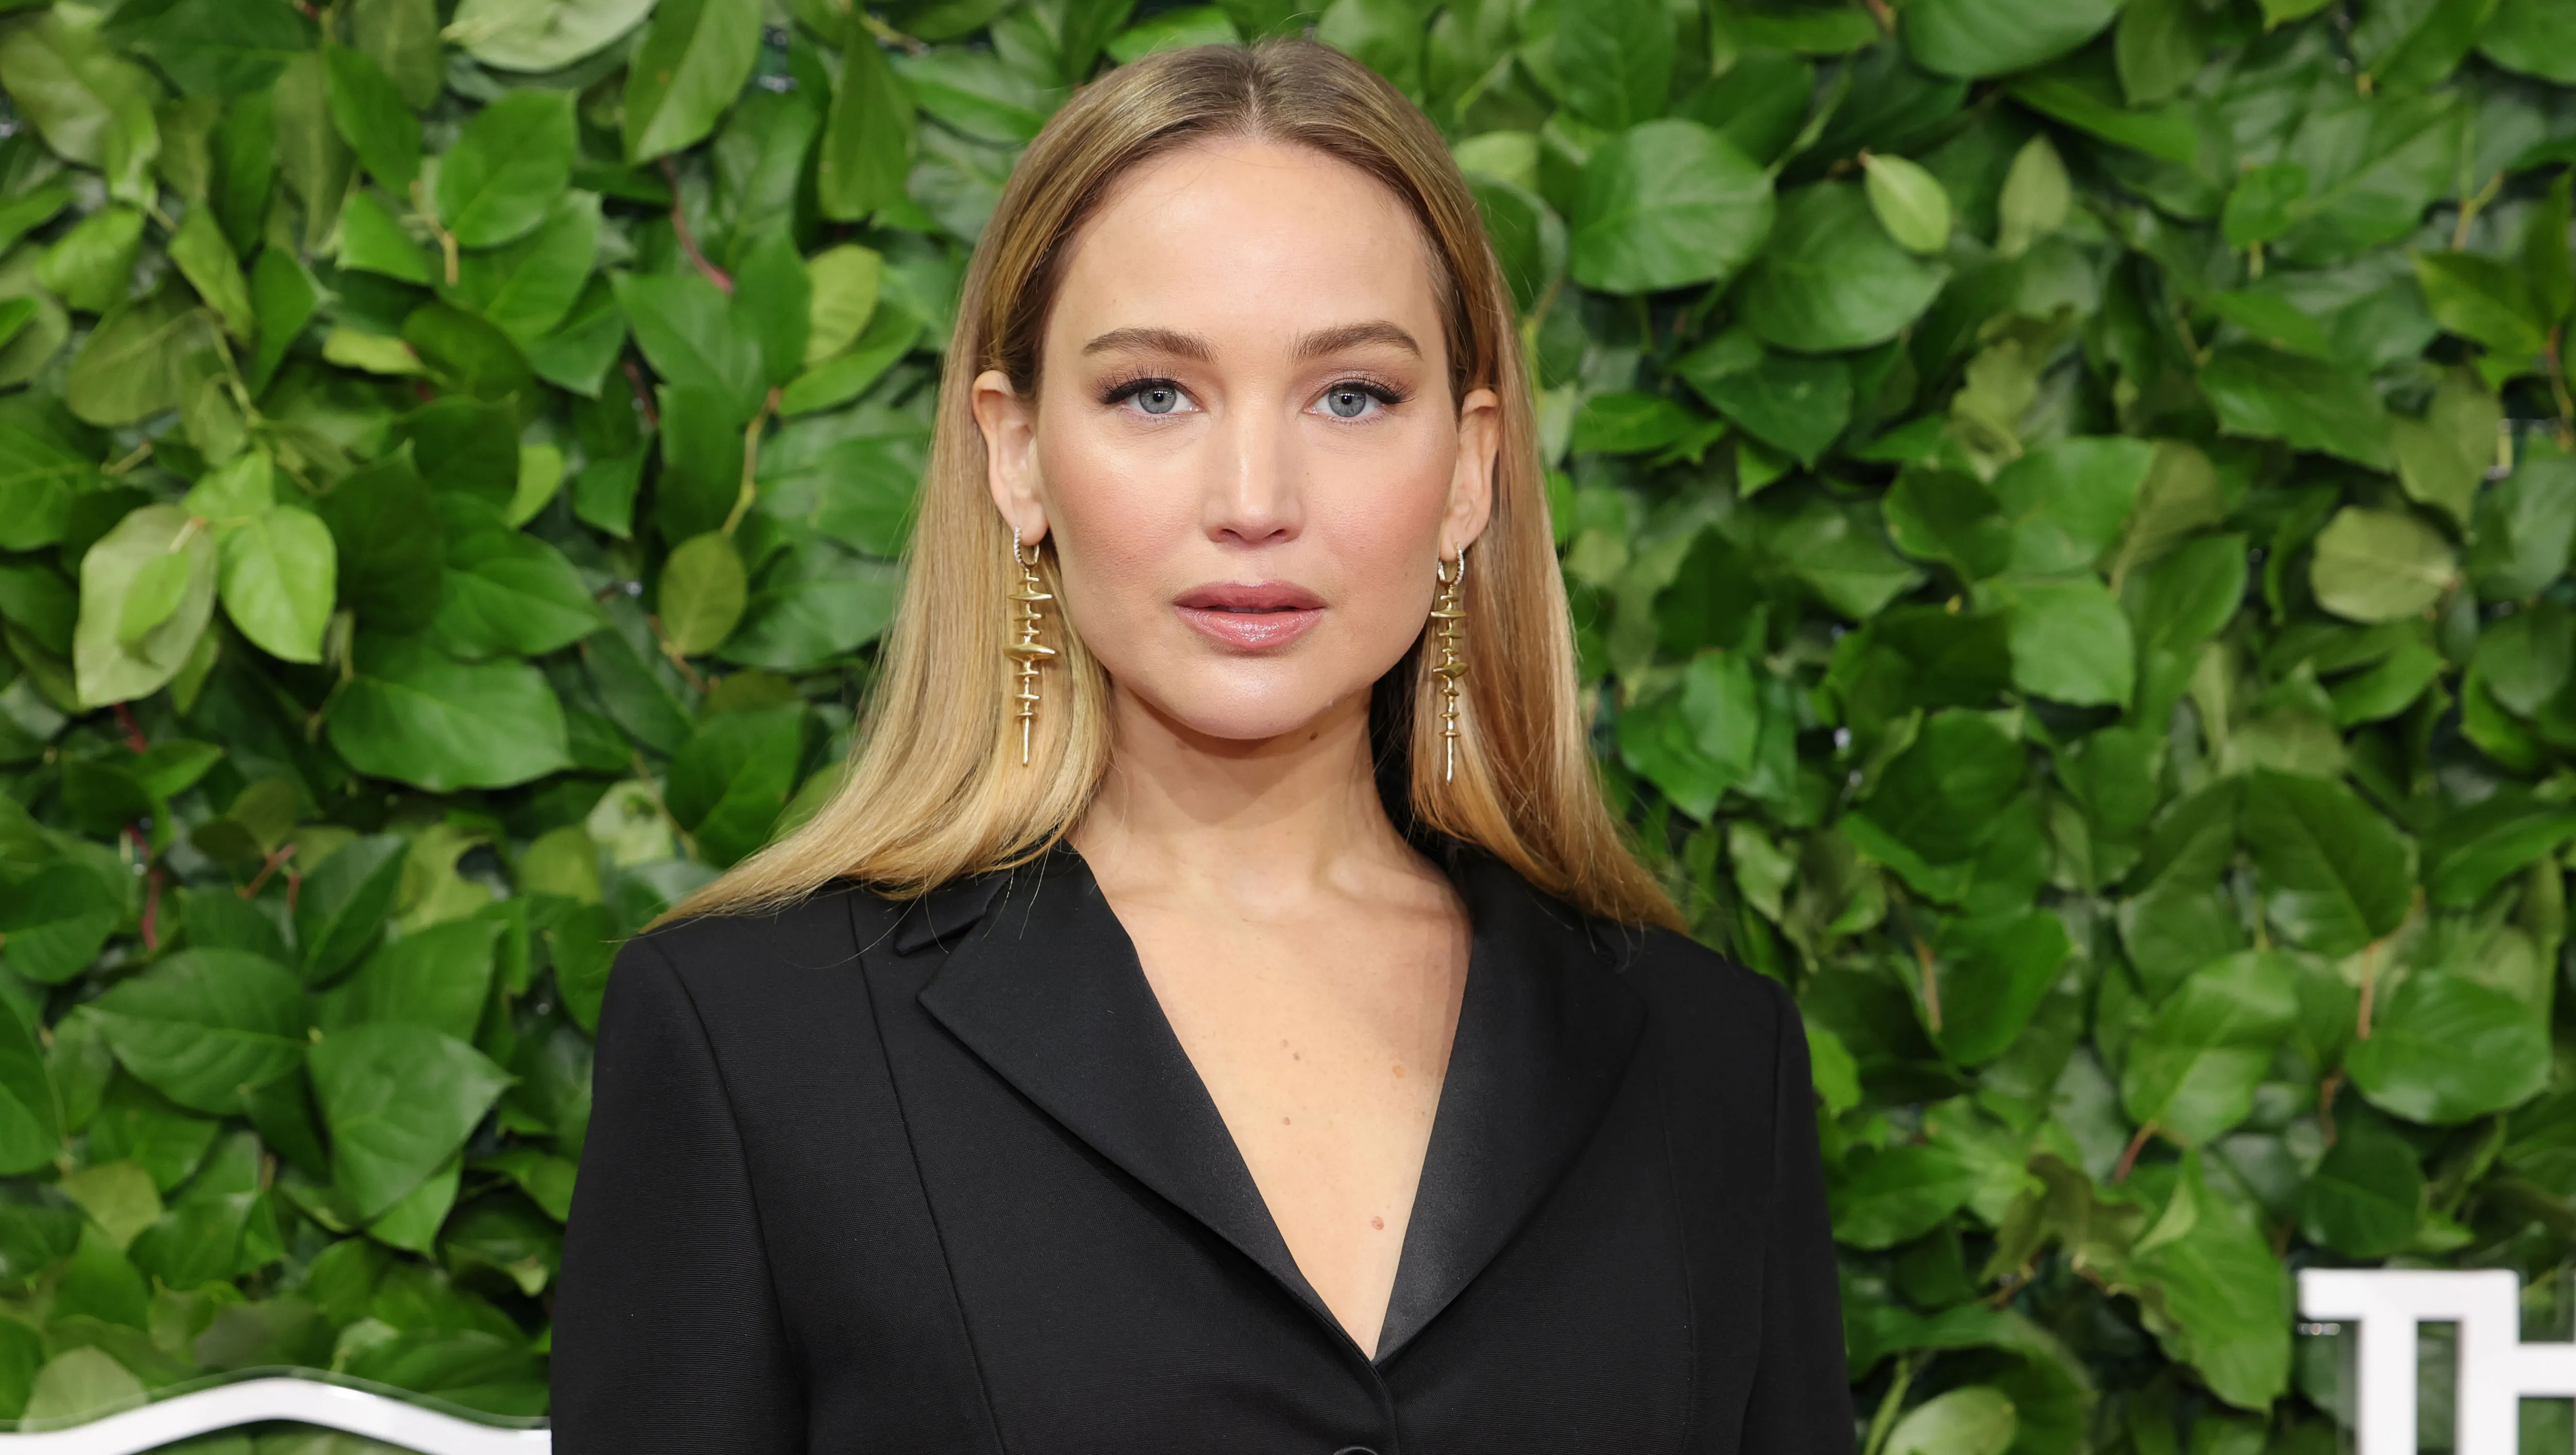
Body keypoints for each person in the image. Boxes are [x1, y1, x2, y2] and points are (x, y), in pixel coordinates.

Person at [550, 37, 1853, 1454]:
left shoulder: (1715, 1059)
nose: (1254, 499)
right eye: (1153, 394)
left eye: (1351, 394)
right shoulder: (752, 1035)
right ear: (1017, 451)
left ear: (1471, 466)